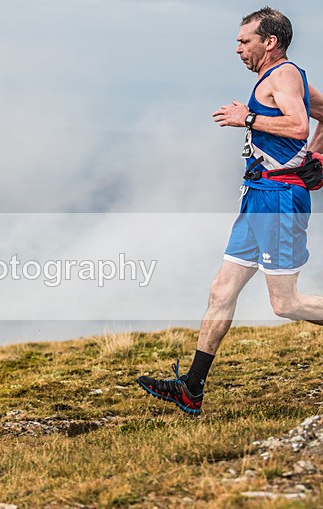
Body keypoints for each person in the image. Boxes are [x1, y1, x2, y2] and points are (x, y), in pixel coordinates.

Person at [137, 7, 323, 414]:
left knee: (286, 304)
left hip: (279, 199)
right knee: (221, 290)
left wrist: (248, 118)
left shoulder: (284, 76)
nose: (237, 48)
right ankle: (192, 388)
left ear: (269, 42)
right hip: (258, 195)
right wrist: (317, 156)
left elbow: (297, 126)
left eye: (244, 41)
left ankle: (191, 387)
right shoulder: (277, 77)